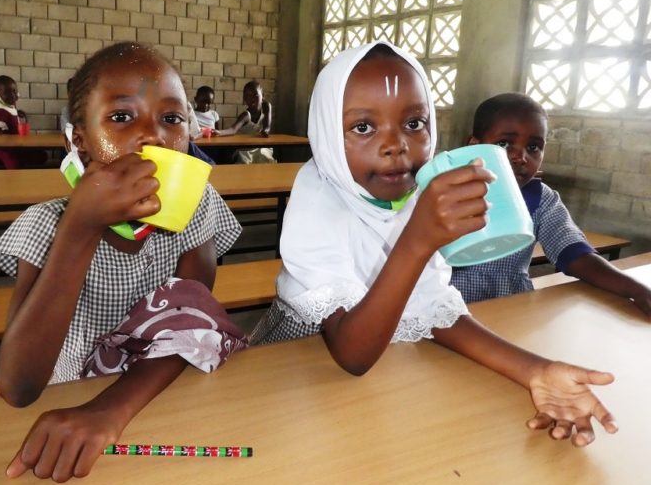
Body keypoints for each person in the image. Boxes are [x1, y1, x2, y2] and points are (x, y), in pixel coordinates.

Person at [251, 40, 618, 447]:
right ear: (324, 131)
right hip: (292, 371)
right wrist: (418, 241)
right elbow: (351, 354)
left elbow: (434, 310)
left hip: (381, 371)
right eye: (362, 127)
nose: (396, 146)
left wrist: (535, 371)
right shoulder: (317, 199)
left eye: (414, 124)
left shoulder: (413, 197)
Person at [0, 42, 245, 482]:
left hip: (157, 392)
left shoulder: (196, 208)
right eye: (122, 117)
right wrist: (79, 229)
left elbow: (190, 325)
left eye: (172, 118)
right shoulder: (46, 226)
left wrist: (108, 410)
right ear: (80, 141)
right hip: (65, 403)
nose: (154, 137)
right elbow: (17, 386)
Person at [450, 92, 651, 316]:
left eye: (533, 147)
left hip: (513, 311)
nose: (521, 157)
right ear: (474, 145)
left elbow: (573, 251)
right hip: (448, 315)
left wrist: (637, 289)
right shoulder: (445, 194)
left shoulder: (540, 199)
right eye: (504, 143)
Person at [0, 75, 46, 169]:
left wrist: (17, 113)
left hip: (15, 143)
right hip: (4, 149)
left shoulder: (8, 103)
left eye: (14, 91)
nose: (12, 95)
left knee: (41, 155)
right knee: (15, 165)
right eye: (7, 93)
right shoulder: (0, 110)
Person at [217, 80, 276, 163]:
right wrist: (218, 132)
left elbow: (267, 126)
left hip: (260, 146)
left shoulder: (266, 106)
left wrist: (265, 130)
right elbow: (232, 130)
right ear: (245, 99)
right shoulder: (245, 115)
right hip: (245, 148)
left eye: (255, 95)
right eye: (248, 96)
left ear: (262, 95)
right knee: (245, 160)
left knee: (266, 158)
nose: (252, 99)